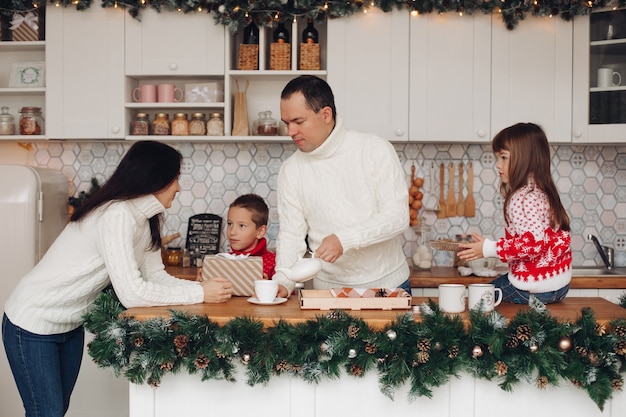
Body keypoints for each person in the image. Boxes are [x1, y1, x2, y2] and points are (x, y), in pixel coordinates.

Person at [2, 140, 232, 417]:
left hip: (69, 325)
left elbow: (155, 276)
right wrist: (200, 294)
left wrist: (200, 288)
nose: (179, 187)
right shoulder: (117, 215)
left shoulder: (145, 218)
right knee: (46, 413)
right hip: (32, 323)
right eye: (175, 179)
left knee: (54, 411)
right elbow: (132, 294)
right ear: (155, 178)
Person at [274, 75, 410, 298]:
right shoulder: (291, 170)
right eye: (286, 123)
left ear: (325, 114)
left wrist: (343, 239)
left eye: (298, 122)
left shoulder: (374, 149)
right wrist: (284, 280)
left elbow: (397, 217)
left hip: (387, 286)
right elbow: (291, 235)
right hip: (327, 291)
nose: (290, 132)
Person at [458, 122, 572, 304]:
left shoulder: (522, 198)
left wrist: (488, 248)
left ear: (525, 158)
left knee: (476, 299)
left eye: (504, 157)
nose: (497, 165)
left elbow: (533, 244)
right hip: (559, 287)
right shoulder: (544, 192)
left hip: (532, 289)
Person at [226, 193, 276, 278]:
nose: (232, 232)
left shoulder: (275, 263)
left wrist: (268, 286)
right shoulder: (224, 261)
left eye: (242, 226)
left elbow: (286, 290)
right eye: (230, 224)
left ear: (260, 232)